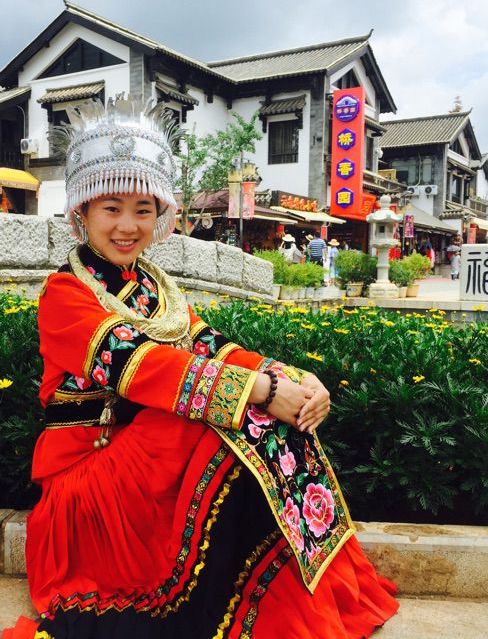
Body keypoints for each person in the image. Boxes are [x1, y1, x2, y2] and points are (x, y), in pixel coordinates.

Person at [3, 96, 398, 639]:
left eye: (143, 209)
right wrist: (259, 391)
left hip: (141, 465)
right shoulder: (65, 293)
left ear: (159, 215)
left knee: (258, 415)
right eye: (111, 208)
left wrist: (294, 380)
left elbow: (212, 345)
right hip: (86, 488)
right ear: (82, 213)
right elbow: (140, 365)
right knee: (219, 418)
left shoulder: (154, 286)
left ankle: (288, 597)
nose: (127, 225)